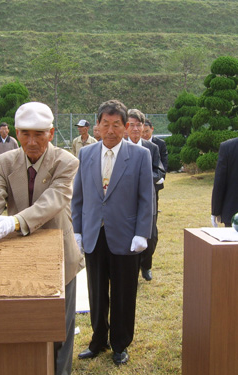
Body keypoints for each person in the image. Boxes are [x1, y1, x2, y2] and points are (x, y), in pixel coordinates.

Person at [0, 102, 84, 375]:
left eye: (39, 134)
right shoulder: (6, 161)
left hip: (59, 252)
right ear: (16, 133)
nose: (32, 142)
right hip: (21, 254)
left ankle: (61, 371)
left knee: (60, 324)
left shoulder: (66, 161)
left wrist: (15, 221)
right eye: (25, 134)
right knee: (25, 316)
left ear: (51, 133)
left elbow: (54, 201)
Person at [72, 100, 154, 366]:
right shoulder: (86, 154)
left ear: (126, 126)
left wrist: (142, 233)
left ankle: (120, 343)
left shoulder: (140, 155)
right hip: (95, 234)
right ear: (97, 126)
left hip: (127, 236)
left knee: (123, 291)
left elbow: (146, 198)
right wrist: (78, 231)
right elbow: (79, 197)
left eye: (116, 124)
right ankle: (98, 340)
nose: (110, 130)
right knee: (96, 291)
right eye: (105, 124)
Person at [127, 109, 165, 281]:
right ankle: (130, 269)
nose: (135, 129)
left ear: (144, 127)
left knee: (151, 235)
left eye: (139, 125)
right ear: (126, 127)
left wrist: (143, 179)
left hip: (149, 199)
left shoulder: (152, 148)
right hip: (126, 201)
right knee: (128, 234)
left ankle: (146, 266)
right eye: (132, 125)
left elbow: (159, 171)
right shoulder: (121, 147)